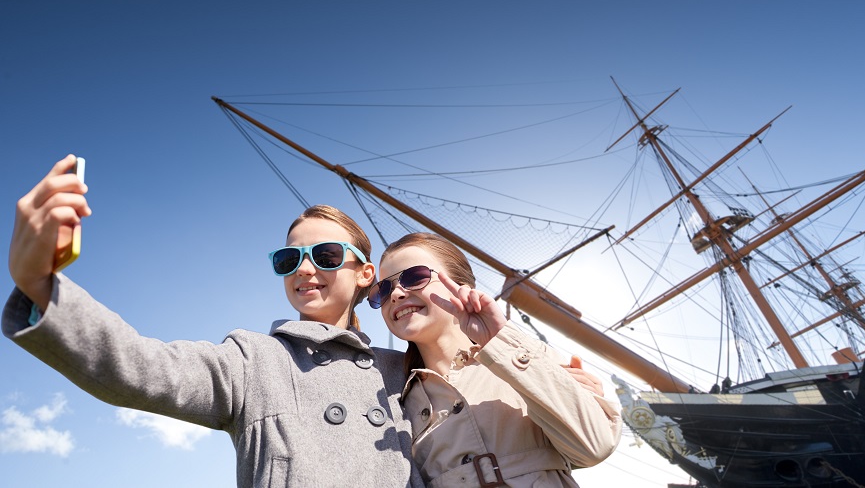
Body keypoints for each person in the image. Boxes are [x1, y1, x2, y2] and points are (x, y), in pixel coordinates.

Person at [3, 155, 423, 487]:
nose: (305, 270)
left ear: (365, 274)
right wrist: (39, 284)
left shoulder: (403, 369)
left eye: (326, 256)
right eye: (289, 259)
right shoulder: (252, 361)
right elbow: (141, 367)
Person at [368, 232, 623, 487]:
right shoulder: (394, 402)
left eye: (414, 277)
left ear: (460, 285)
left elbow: (594, 445)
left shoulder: (525, 357)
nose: (396, 294)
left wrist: (500, 342)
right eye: (384, 288)